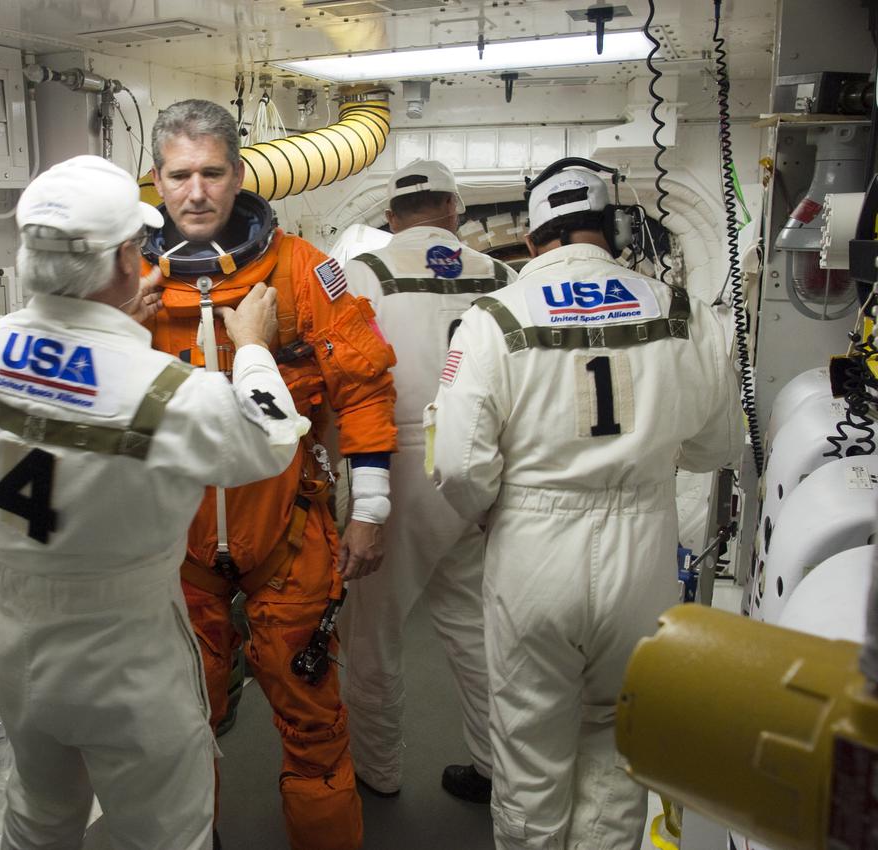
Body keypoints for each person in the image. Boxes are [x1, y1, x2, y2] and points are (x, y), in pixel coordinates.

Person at [0, 154, 308, 850]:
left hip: (15, 642)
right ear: (123, 262)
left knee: (38, 815)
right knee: (164, 834)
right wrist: (252, 348)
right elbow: (271, 439)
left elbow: (52, 384)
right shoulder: (169, 393)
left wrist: (113, 326)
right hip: (127, 654)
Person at [428, 162, 743, 850]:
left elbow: (456, 463)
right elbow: (716, 445)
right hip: (645, 550)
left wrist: (491, 509)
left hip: (534, 548)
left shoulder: (495, 317)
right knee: (617, 741)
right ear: (611, 228)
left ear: (536, 236)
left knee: (530, 745)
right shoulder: (677, 309)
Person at [142, 99, 398, 850]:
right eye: (180, 174)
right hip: (175, 547)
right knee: (180, 725)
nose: (197, 192)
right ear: (157, 181)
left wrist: (371, 506)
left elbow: (365, 383)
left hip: (286, 531)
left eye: (212, 173)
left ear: (240, 174)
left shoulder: (307, 271)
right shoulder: (130, 281)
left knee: (315, 723)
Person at [337, 159, 516, 803]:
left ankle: (377, 769)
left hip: (394, 460)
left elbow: (343, 376)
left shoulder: (361, 271)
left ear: (390, 217)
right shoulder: (502, 275)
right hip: (480, 461)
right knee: (474, 624)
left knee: (374, 628)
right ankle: (498, 767)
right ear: (453, 210)